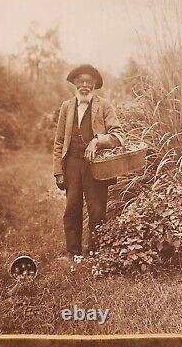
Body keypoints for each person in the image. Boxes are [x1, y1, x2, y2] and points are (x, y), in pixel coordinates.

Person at [53, 64, 125, 257]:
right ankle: (73, 251)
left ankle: (95, 251)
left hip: (97, 165)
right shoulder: (66, 107)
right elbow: (59, 141)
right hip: (72, 165)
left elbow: (118, 135)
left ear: (94, 85)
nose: (84, 85)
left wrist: (97, 141)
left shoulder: (104, 106)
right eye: (80, 82)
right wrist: (58, 171)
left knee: (97, 210)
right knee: (71, 208)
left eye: (88, 82)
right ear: (75, 84)